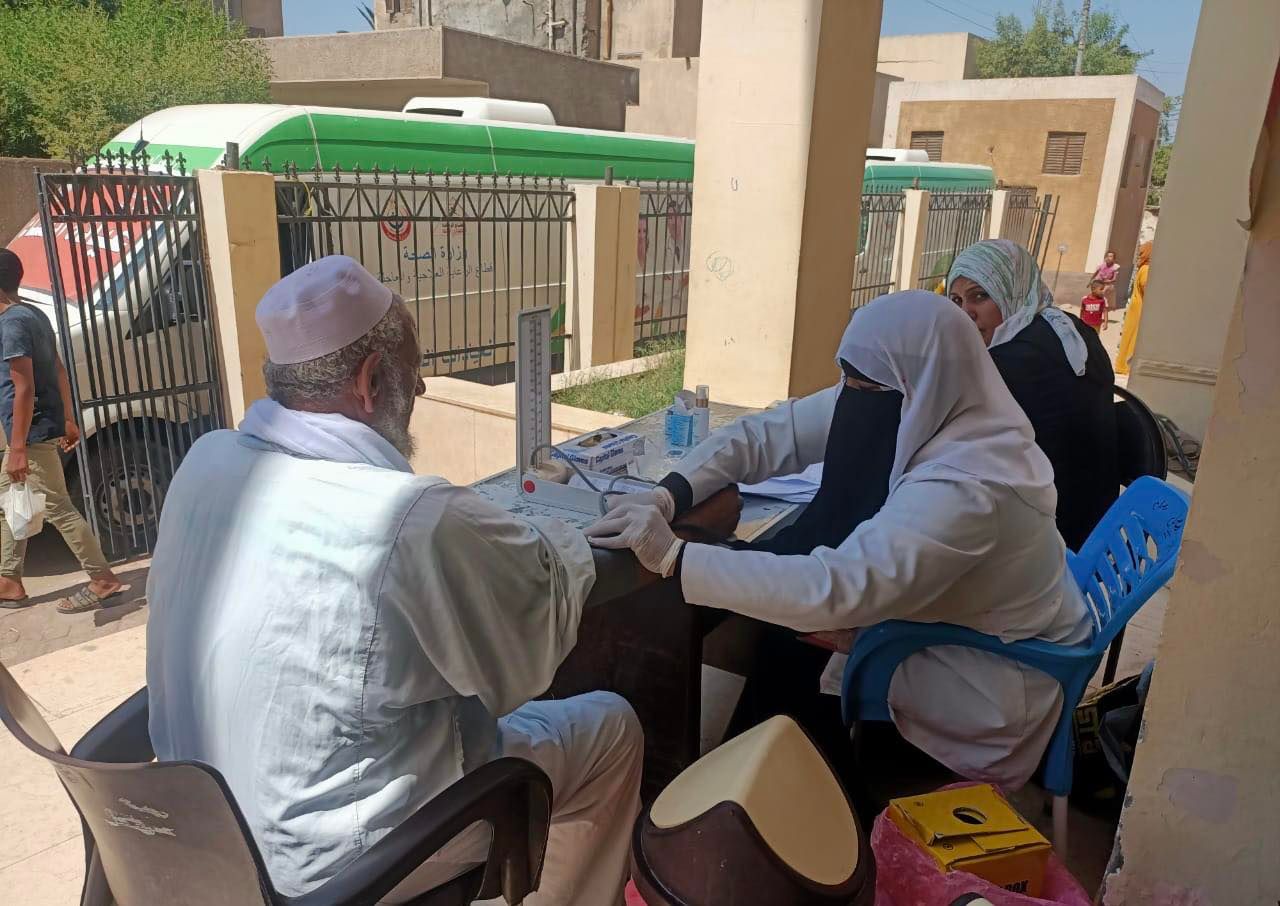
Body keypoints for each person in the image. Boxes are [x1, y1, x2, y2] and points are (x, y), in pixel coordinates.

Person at [146, 256, 641, 906]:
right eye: (414, 370)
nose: (424, 388)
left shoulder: (204, 460)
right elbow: (530, 629)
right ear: (371, 378)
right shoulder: (407, 518)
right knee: (611, 728)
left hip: (205, 836)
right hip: (344, 870)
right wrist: (563, 530)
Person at [588, 291, 1092, 792]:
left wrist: (674, 557)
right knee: (784, 630)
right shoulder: (933, 398)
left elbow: (834, 591)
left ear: (910, 381)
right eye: (847, 378)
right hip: (967, 621)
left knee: (795, 648)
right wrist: (668, 495)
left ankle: (773, 804)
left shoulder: (971, 484)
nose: (848, 394)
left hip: (986, 682)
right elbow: (769, 434)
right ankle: (748, 788)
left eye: (861, 384)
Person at [947, 239, 1118, 552]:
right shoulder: (1070, 328)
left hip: (1050, 538)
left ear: (1011, 290)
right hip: (1096, 523)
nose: (965, 313)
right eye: (956, 300)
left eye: (980, 296)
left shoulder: (1010, 363)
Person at [0, 248, 125, 613]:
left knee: (58, 507)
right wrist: (68, 418)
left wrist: (18, 448)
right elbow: (58, 369)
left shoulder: (11, 324)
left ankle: (103, 579)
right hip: (31, 428)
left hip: (29, 432)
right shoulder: (34, 314)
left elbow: (24, 387)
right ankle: (9, 581)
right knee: (10, 502)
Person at [1115, 241, 1153, 376]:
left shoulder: (1143, 268)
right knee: (1134, 337)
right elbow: (1147, 289)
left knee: (1130, 336)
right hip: (1140, 308)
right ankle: (1126, 367)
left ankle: (1122, 365)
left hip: (1136, 306)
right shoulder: (1147, 269)